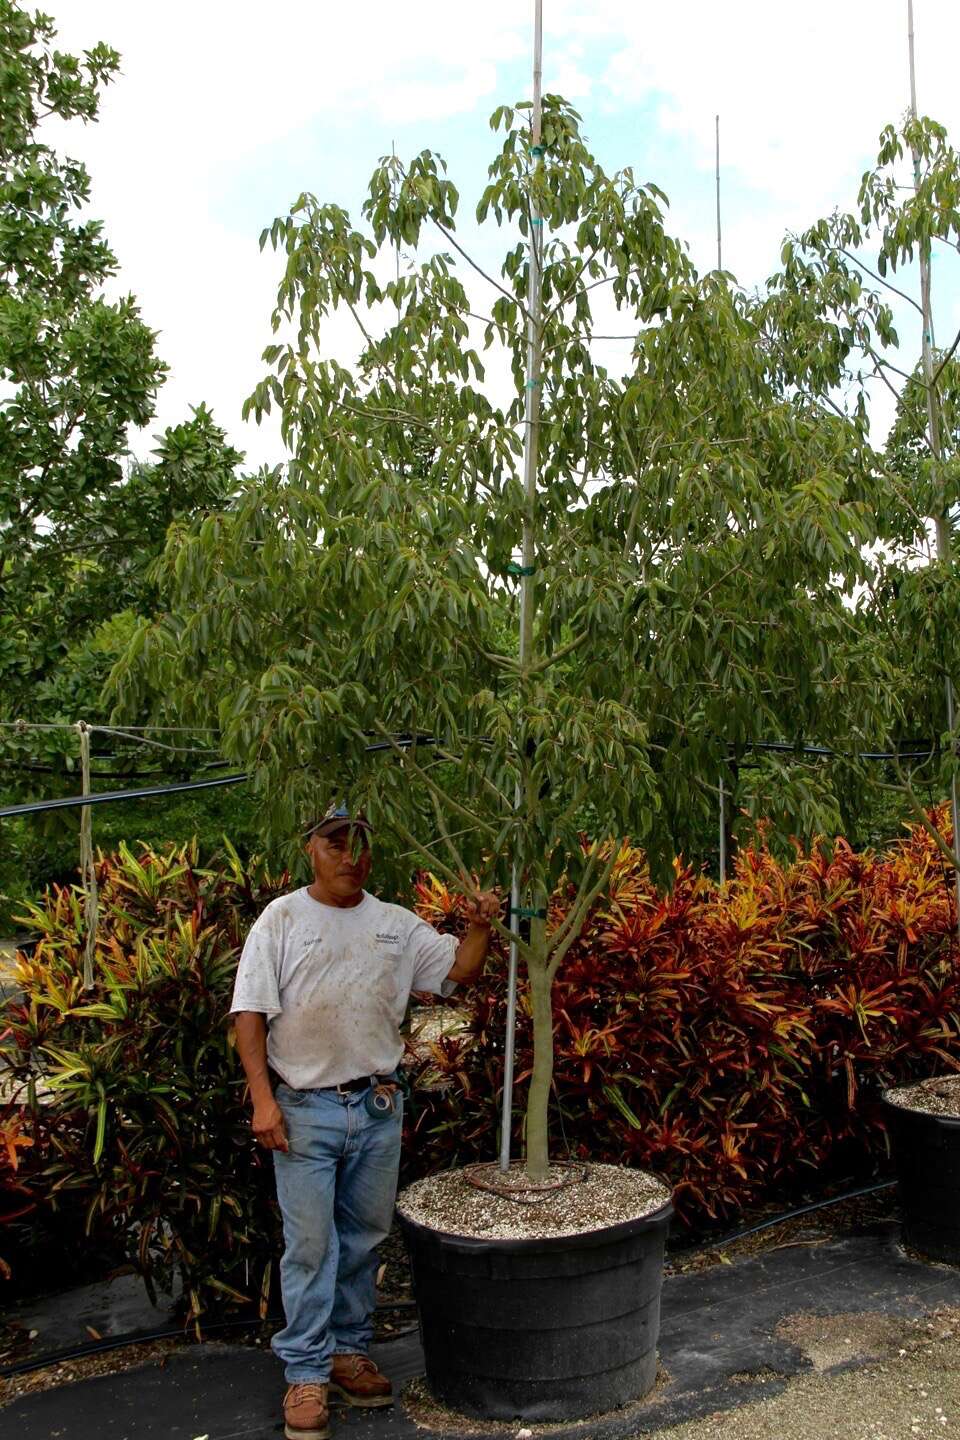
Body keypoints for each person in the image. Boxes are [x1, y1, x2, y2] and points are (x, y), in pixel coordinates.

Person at [230, 805, 498, 1440]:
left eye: (360, 846)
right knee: (311, 1245)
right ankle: (305, 1373)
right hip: (303, 1110)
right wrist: (262, 1102)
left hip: (377, 1108)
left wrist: (481, 924)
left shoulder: (395, 926)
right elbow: (250, 1013)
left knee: (365, 1237)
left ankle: (348, 1352)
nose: (350, 856)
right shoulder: (282, 920)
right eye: (336, 843)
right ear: (311, 850)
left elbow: (458, 974)